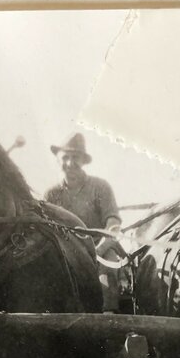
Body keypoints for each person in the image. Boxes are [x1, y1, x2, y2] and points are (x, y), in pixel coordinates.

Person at [44, 132, 121, 312]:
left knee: (109, 262)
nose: (70, 163)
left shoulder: (100, 187)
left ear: (84, 161)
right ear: (58, 160)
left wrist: (100, 248)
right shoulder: (51, 194)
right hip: (64, 250)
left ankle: (109, 316)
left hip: (98, 248)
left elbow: (113, 221)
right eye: (65, 157)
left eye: (76, 158)